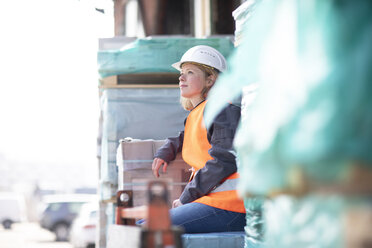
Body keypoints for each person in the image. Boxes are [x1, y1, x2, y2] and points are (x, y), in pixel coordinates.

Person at [151, 45, 246, 233]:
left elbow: (224, 160)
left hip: (232, 205)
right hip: (216, 202)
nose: (181, 77)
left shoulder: (222, 111)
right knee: (145, 228)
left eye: (190, 72)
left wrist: (187, 197)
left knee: (149, 230)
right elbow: (186, 136)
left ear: (210, 79)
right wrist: (167, 149)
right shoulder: (200, 113)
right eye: (181, 72)